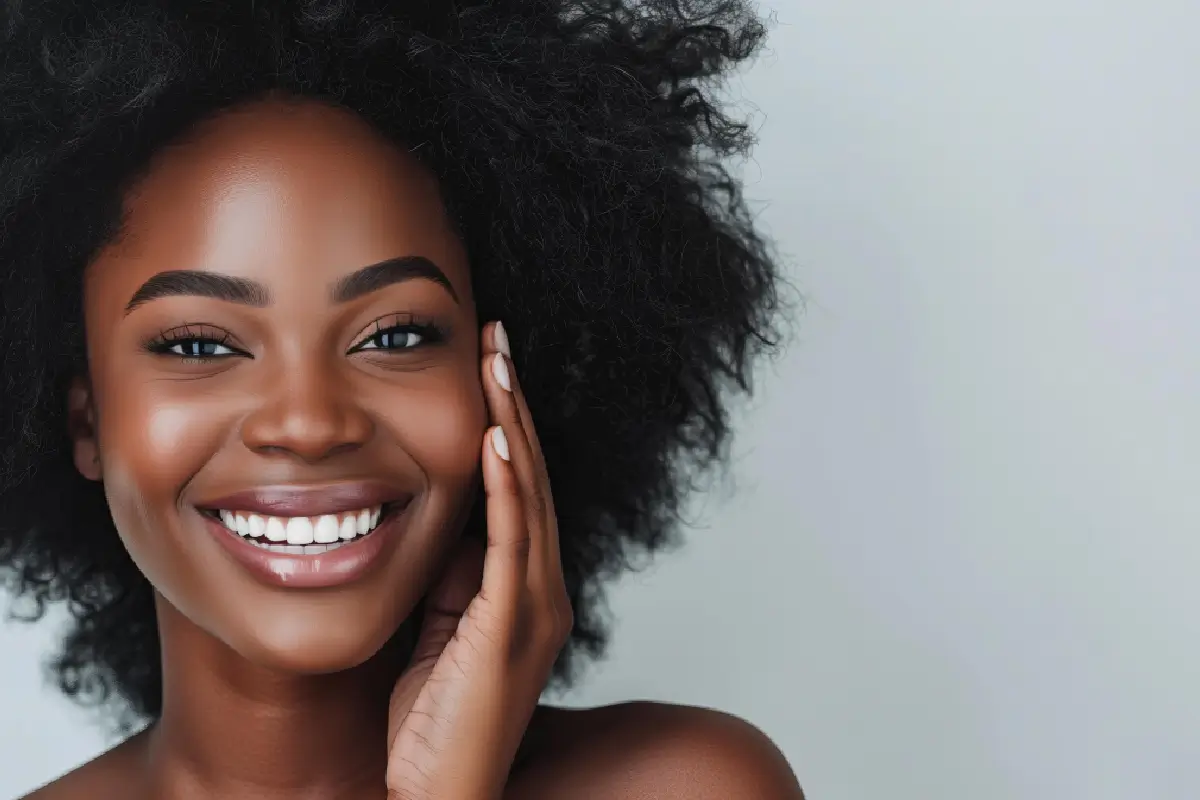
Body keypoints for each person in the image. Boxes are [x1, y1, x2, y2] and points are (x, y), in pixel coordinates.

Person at [0, 1, 802, 797]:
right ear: (85, 418)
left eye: (393, 336)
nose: (309, 423)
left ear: (504, 375)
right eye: (200, 346)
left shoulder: (690, 785)